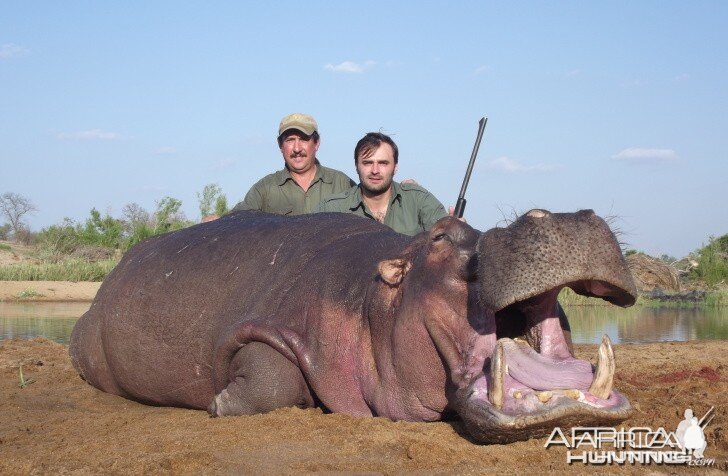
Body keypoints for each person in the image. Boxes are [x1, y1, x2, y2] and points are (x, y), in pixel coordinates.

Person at [315, 132, 447, 236]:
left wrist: (457, 230)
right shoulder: (331, 208)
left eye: (383, 163)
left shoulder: (419, 201)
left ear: (395, 167)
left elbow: (448, 242)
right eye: (367, 163)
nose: (375, 171)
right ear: (356, 166)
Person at [231, 113, 355, 215]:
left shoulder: (342, 183)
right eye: (290, 140)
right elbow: (235, 221)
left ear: (317, 143)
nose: (297, 149)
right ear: (280, 145)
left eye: (303, 139)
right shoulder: (265, 189)